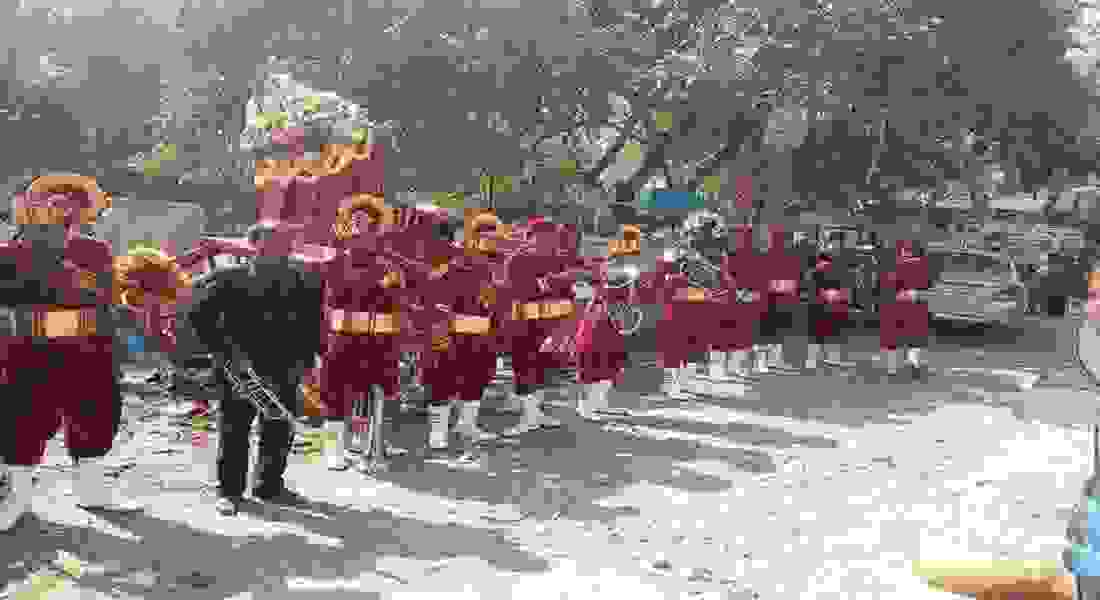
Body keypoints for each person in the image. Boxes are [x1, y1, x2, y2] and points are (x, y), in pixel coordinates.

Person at [0, 174, 140, 531]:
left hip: (90, 355)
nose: (66, 209)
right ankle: (17, 500)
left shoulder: (95, 251)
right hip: (29, 357)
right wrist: (67, 318)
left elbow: (106, 301)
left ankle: (92, 493)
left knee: (96, 420)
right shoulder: (9, 252)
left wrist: (110, 319)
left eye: (75, 204)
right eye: (56, 201)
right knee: (23, 425)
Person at [187, 219, 324, 516]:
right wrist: (223, 353)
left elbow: (312, 324)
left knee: (279, 427)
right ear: (254, 244)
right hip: (241, 368)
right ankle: (230, 492)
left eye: (285, 242)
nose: (279, 247)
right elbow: (198, 318)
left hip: (285, 367)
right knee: (235, 430)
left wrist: (308, 362)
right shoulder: (227, 279)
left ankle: (269, 486)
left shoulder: (303, 280)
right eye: (271, 241)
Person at [418, 211, 499, 452]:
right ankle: (438, 432)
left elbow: (492, 299)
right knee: (441, 381)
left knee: (476, 379)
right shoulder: (441, 258)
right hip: (448, 331)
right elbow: (433, 293)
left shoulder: (487, 263)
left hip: (478, 333)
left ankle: (465, 426)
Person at [878, 239, 930, 378]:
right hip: (911, 305)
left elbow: (887, 286)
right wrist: (914, 294)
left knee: (895, 336)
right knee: (913, 336)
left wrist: (907, 294)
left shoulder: (899, 266)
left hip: (900, 306)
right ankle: (909, 362)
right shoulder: (922, 266)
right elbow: (929, 287)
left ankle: (897, 366)